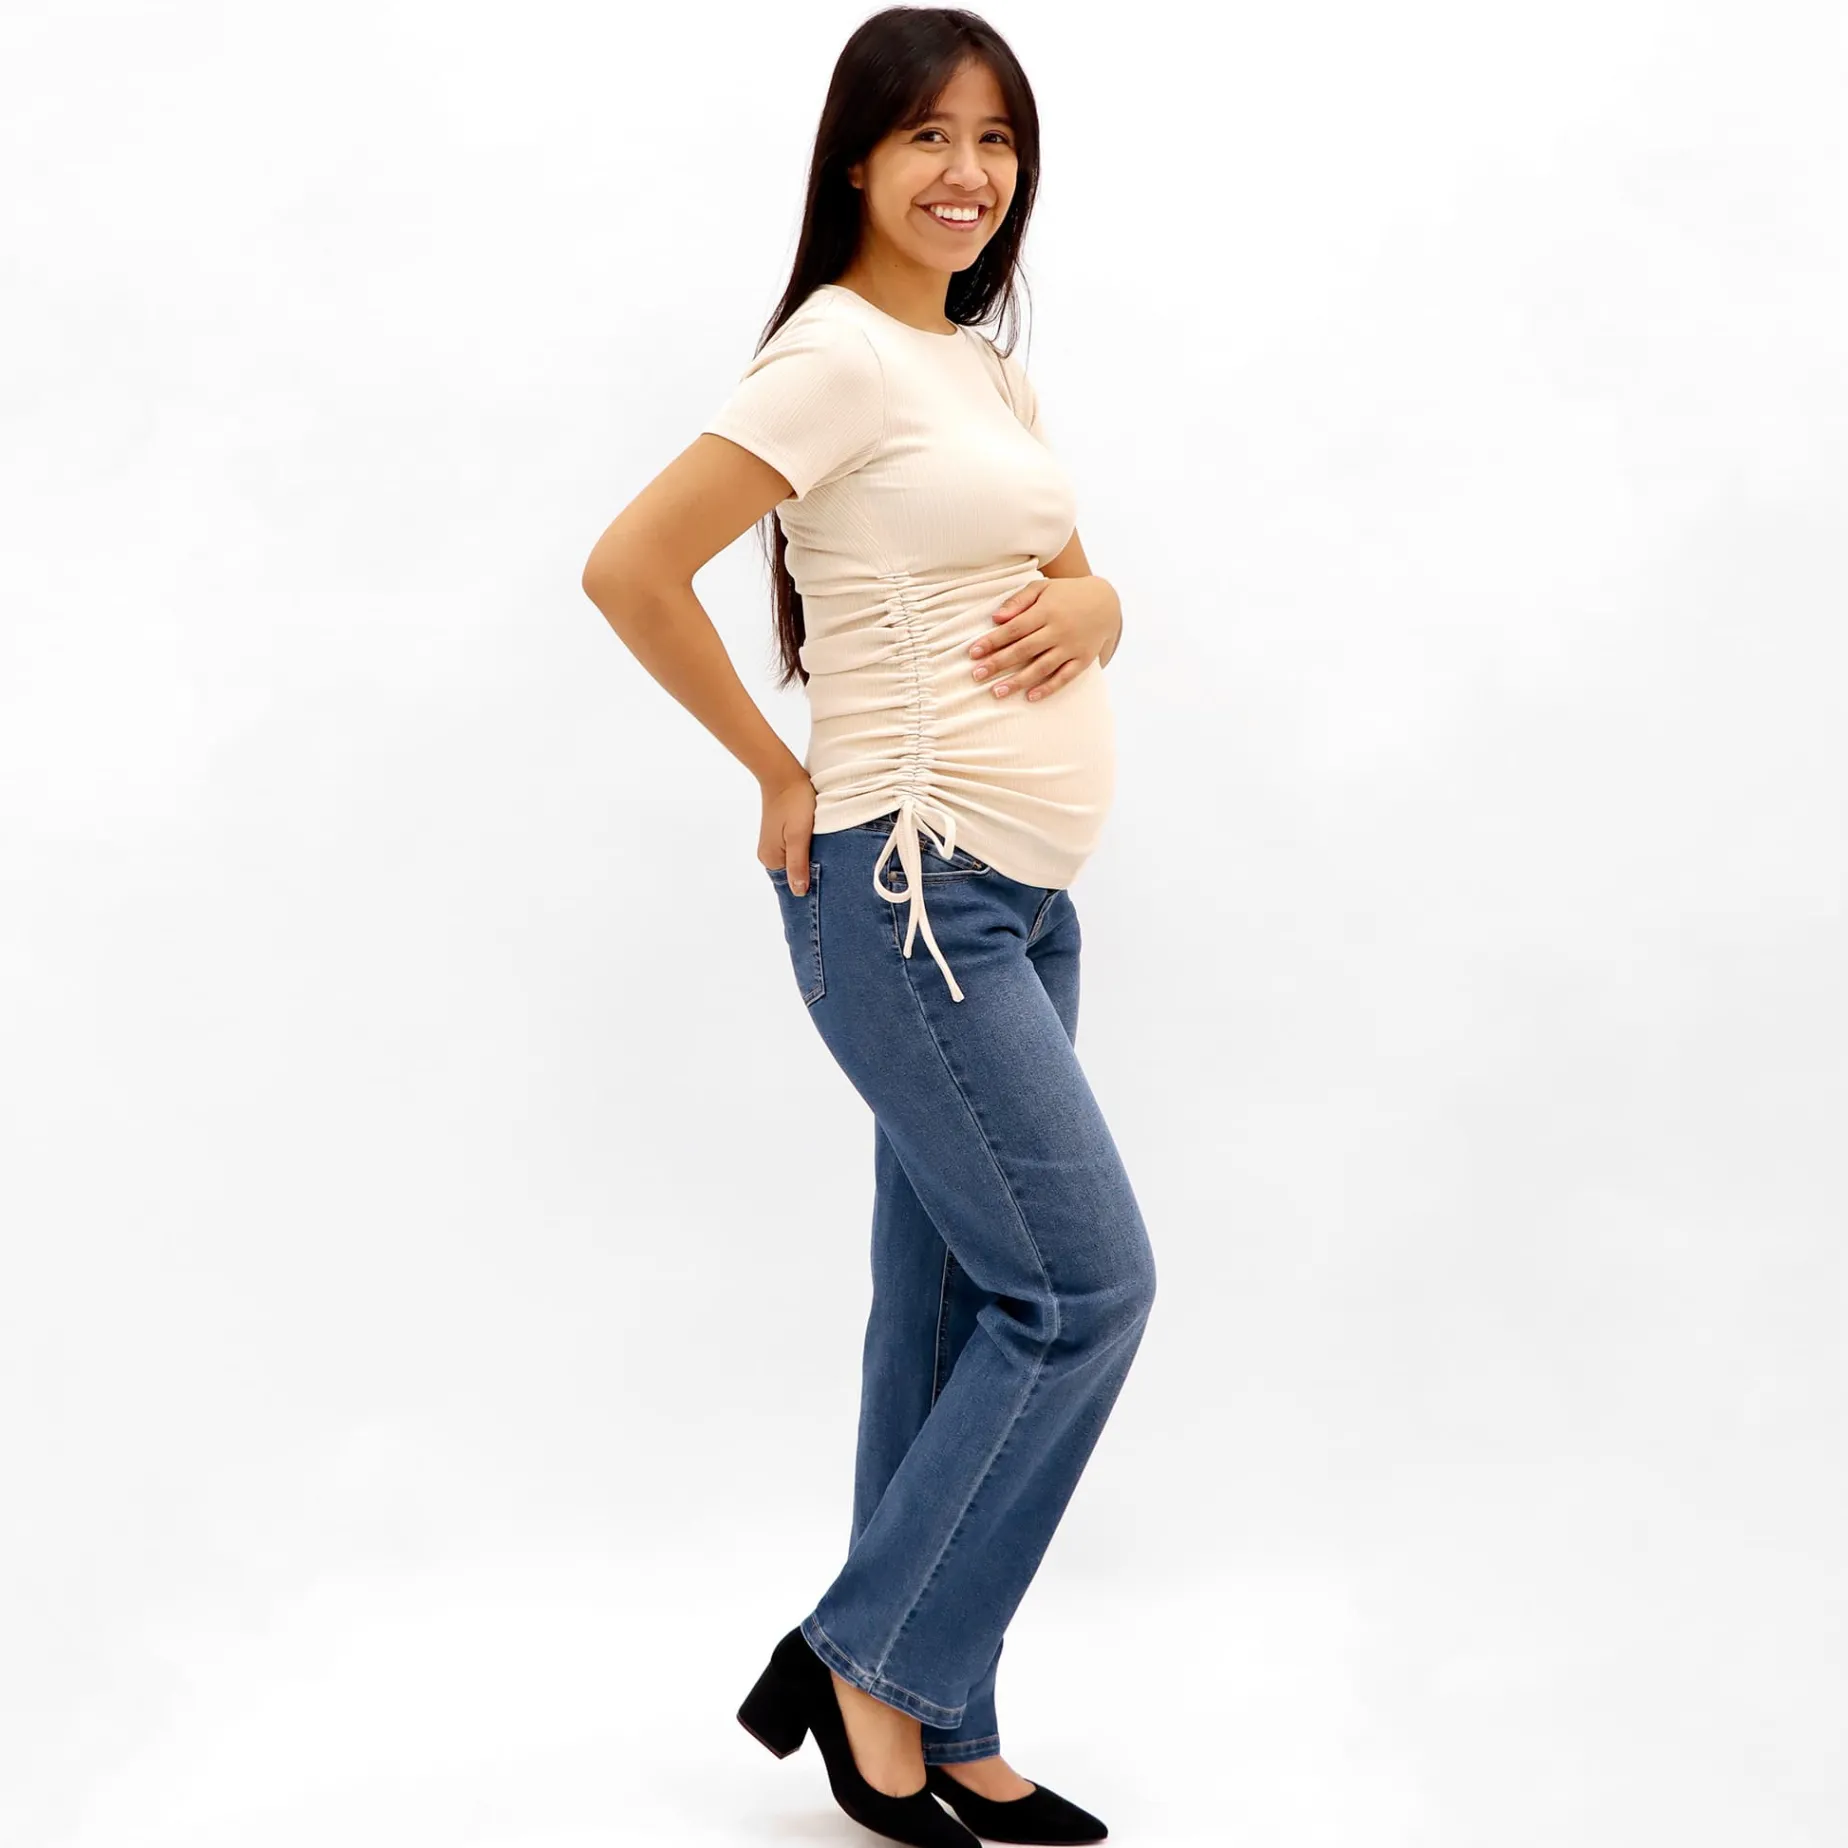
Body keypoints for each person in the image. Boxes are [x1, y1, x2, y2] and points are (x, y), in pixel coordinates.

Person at [581, 11, 1156, 1844]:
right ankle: (862, 1658)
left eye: (996, 139)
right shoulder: (834, 355)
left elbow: (1062, 575)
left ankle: (936, 1714)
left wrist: (1106, 610)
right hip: (909, 894)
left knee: (955, 1308)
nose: (967, 172)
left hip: (1023, 906)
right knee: (1084, 1293)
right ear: (856, 160)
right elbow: (629, 565)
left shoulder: (976, 366)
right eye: (928, 137)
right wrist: (775, 769)